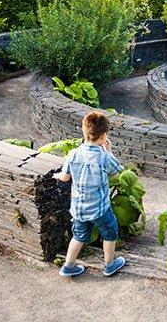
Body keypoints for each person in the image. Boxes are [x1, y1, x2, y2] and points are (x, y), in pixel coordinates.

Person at [53, 111, 126, 278]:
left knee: (78, 236)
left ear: (84, 131)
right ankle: (109, 265)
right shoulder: (103, 157)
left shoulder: (74, 154)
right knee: (110, 232)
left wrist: (57, 176)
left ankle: (68, 266)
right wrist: (109, 150)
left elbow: (64, 177)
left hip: (79, 209)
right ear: (104, 135)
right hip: (100, 209)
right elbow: (117, 172)